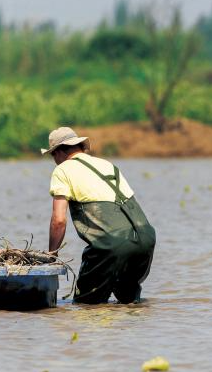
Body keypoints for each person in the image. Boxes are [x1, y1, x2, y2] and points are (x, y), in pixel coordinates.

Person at [44, 126, 157, 303]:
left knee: (86, 306)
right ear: (79, 147)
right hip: (145, 240)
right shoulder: (108, 165)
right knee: (130, 304)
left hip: (111, 244)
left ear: (58, 152)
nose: (54, 161)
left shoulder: (63, 170)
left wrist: (51, 256)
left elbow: (59, 220)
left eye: (52, 156)